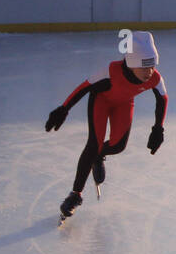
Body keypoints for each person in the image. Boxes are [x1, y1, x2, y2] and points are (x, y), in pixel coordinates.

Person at [45, 31, 168, 217]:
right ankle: (75, 194)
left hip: (124, 104)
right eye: (144, 66)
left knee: (118, 146)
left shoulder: (154, 78)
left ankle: (98, 156)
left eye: (152, 65)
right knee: (93, 145)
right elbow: (84, 87)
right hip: (101, 101)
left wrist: (158, 128)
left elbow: (162, 99)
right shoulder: (110, 72)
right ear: (132, 62)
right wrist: (64, 108)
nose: (149, 71)